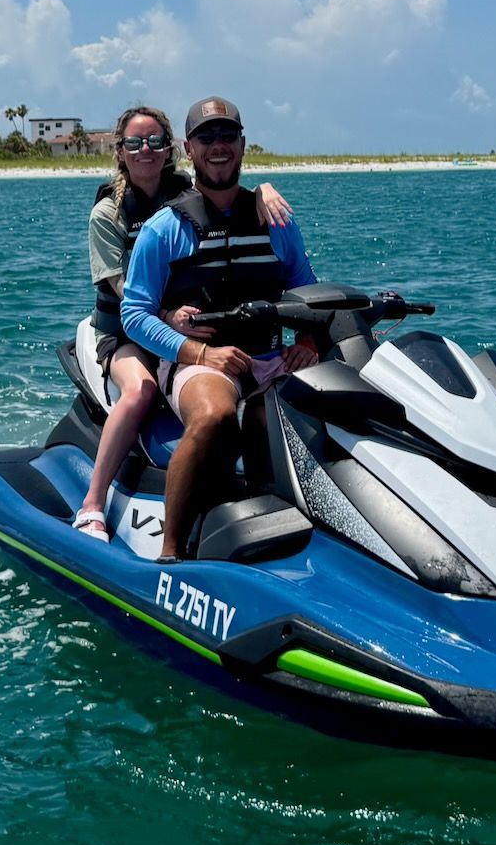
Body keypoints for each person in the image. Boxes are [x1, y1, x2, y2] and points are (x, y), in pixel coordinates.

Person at [71, 105, 292, 541]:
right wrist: (171, 321)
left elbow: (225, 190)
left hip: (183, 324)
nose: (145, 150)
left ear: (172, 149)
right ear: (120, 152)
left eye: (155, 141)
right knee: (141, 391)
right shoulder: (110, 213)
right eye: (134, 143)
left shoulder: (185, 190)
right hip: (123, 329)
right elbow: (126, 294)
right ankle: (94, 503)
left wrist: (263, 191)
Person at [121, 97, 318, 560]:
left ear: (243, 145)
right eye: (206, 138)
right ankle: (171, 550)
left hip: (269, 359)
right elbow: (135, 315)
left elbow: (308, 292)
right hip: (199, 362)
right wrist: (199, 354)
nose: (218, 146)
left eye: (227, 136)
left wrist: (308, 342)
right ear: (189, 149)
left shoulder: (277, 222)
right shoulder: (163, 228)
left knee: (320, 406)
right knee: (214, 414)